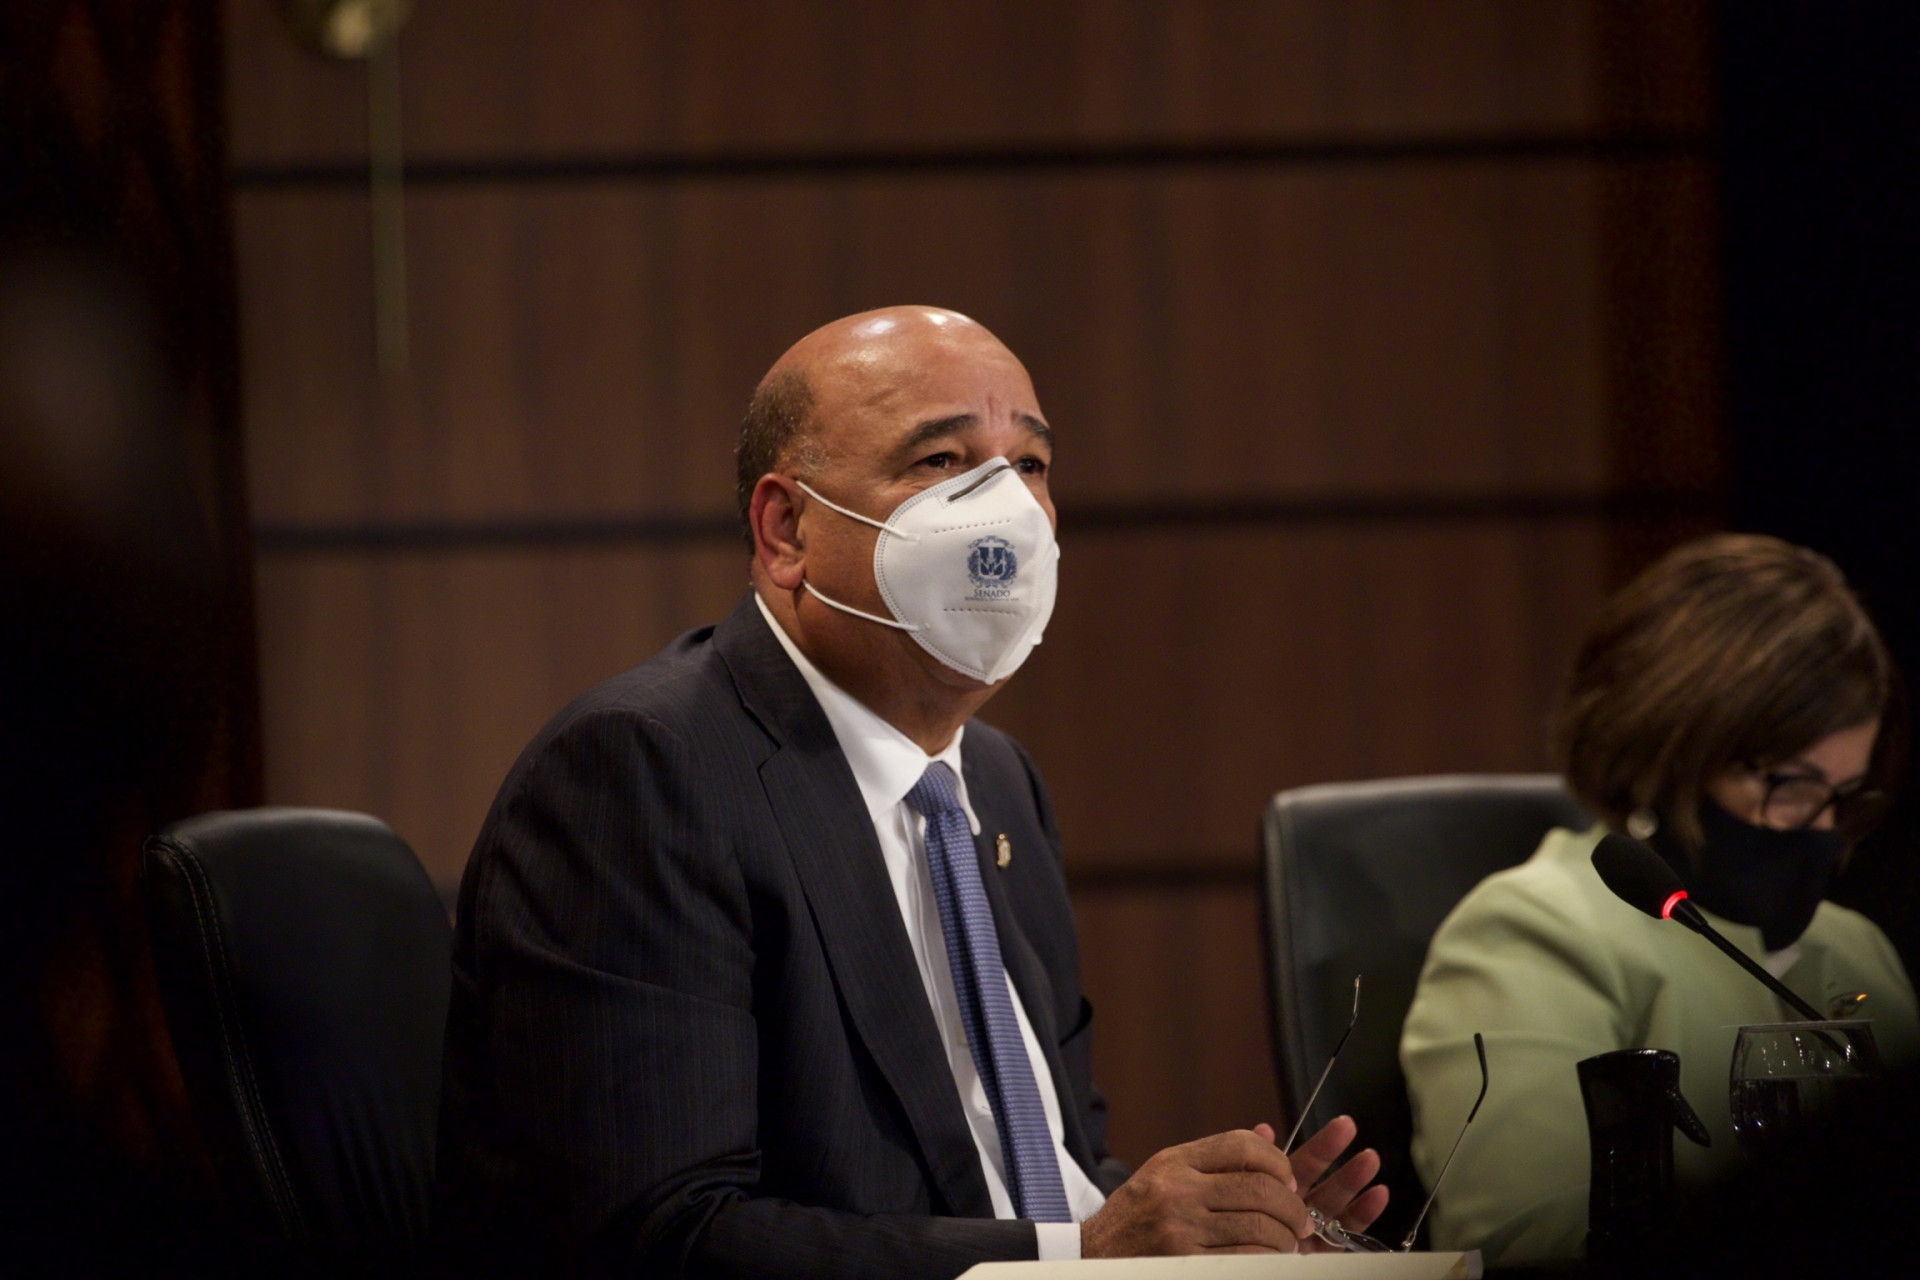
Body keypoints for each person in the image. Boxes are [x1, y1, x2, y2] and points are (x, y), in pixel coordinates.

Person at [435, 306, 1388, 1277]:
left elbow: (1038, 1176)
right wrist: (1085, 1254)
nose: (1006, 506)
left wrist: (1232, 1235)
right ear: (787, 529)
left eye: (1030, 465)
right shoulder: (645, 773)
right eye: (941, 461)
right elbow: (659, 1236)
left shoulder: (1001, 784)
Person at [1399, 533, 1920, 1266]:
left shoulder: (1857, 948)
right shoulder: (1530, 931)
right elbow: (1528, 1252)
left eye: (1845, 795)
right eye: (1791, 785)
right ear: (1669, 750)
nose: (1822, 830)